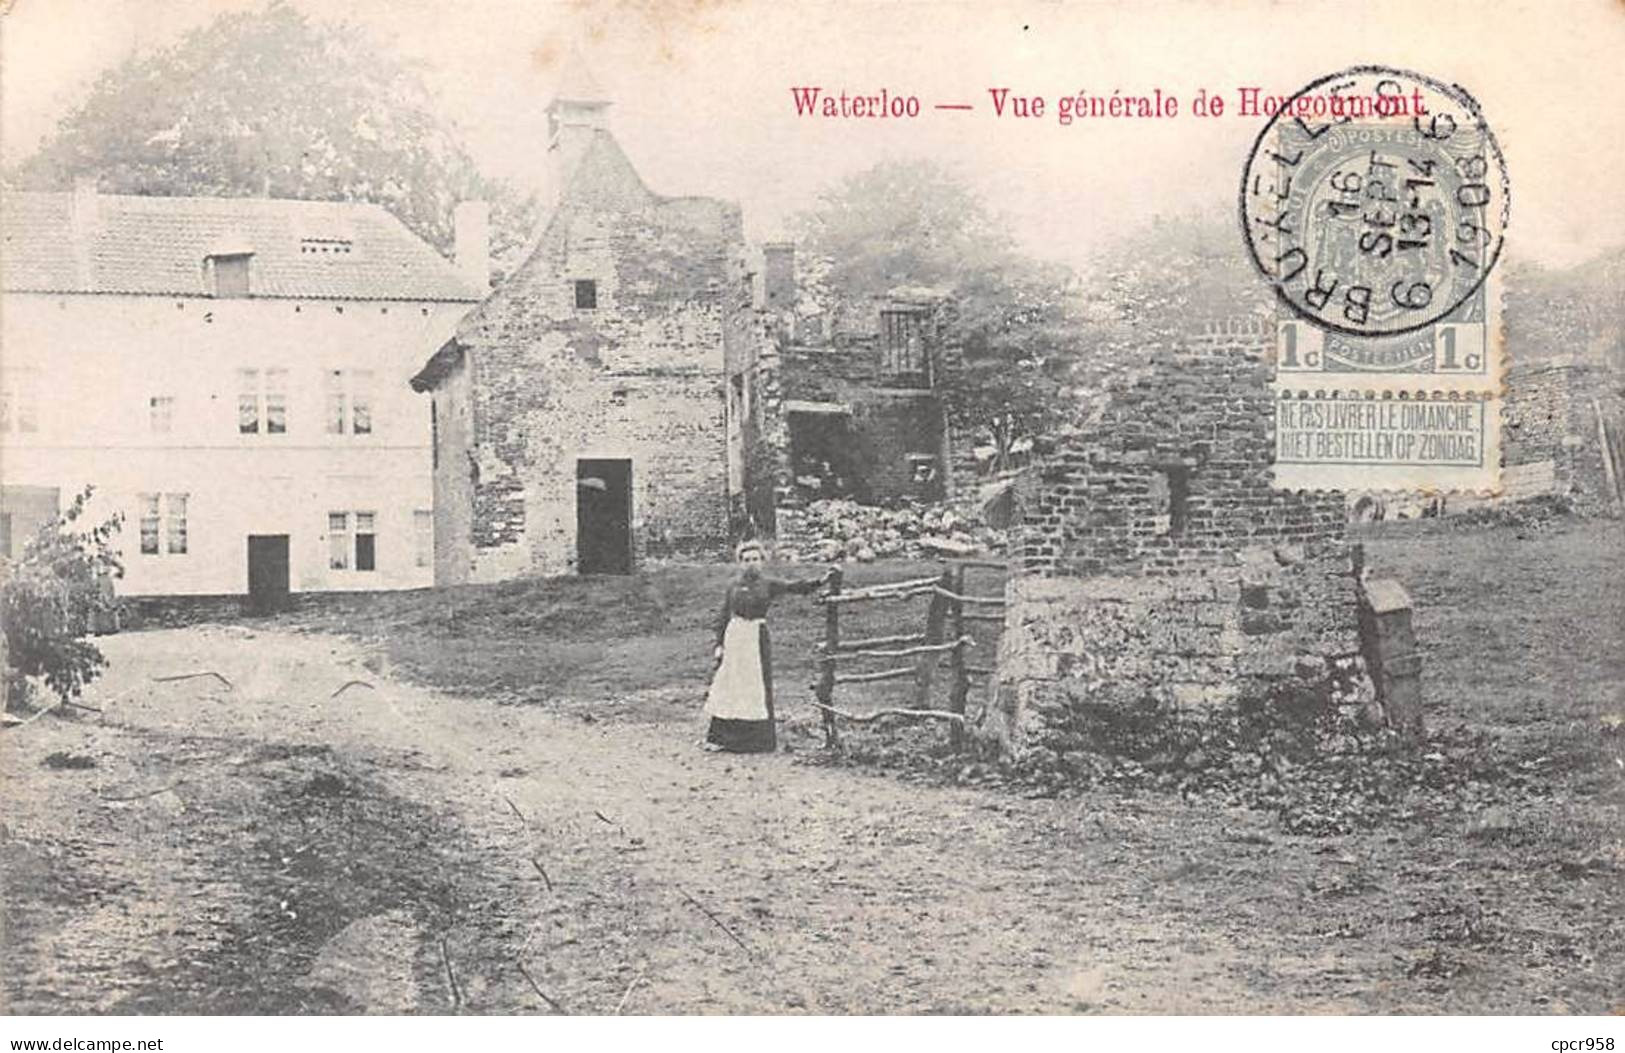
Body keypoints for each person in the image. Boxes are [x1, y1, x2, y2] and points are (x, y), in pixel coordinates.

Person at [703, 539, 831, 753]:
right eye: (746, 560)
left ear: (762, 561)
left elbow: (795, 587)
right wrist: (719, 644)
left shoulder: (768, 584)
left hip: (756, 636)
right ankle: (724, 738)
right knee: (732, 683)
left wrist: (821, 581)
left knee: (757, 684)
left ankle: (758, 741)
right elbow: (723, 615)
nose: (751, 563)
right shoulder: (733, 585)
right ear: (739, 562)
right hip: (735, 637)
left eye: (755, 559)